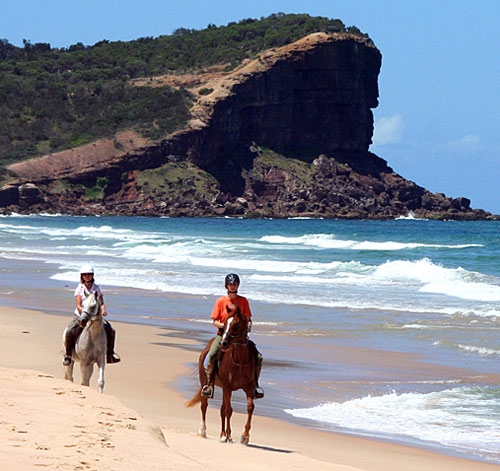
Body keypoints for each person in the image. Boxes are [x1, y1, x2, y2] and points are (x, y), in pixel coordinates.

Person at [202, 273, 264, 399]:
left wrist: (248, 327)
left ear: (238, 285)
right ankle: (209, 385)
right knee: (213, 354)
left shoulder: (243, 301)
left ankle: (255, 385)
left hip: (240, 338)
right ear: (226, 286)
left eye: (235, 284)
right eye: (230, 284)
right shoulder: (220, 301)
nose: (232, 286)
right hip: (224, 335)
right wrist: (225, 326)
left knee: (258, 357)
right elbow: (214, 321)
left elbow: (248, 319)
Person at [62, 264, 121, 366]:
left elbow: (101, 303)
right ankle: (68, 355)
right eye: (85, 275)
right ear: (82, 276)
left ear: (92, 275)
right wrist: (85, 314)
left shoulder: (97, 289)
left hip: (95, 317)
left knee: (111, 330)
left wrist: (103, 310)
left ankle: (110, 354)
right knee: (70, 331)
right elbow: (79, 305)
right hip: (81, 315)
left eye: (89, 274)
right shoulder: (79, 288)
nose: (87, 276)